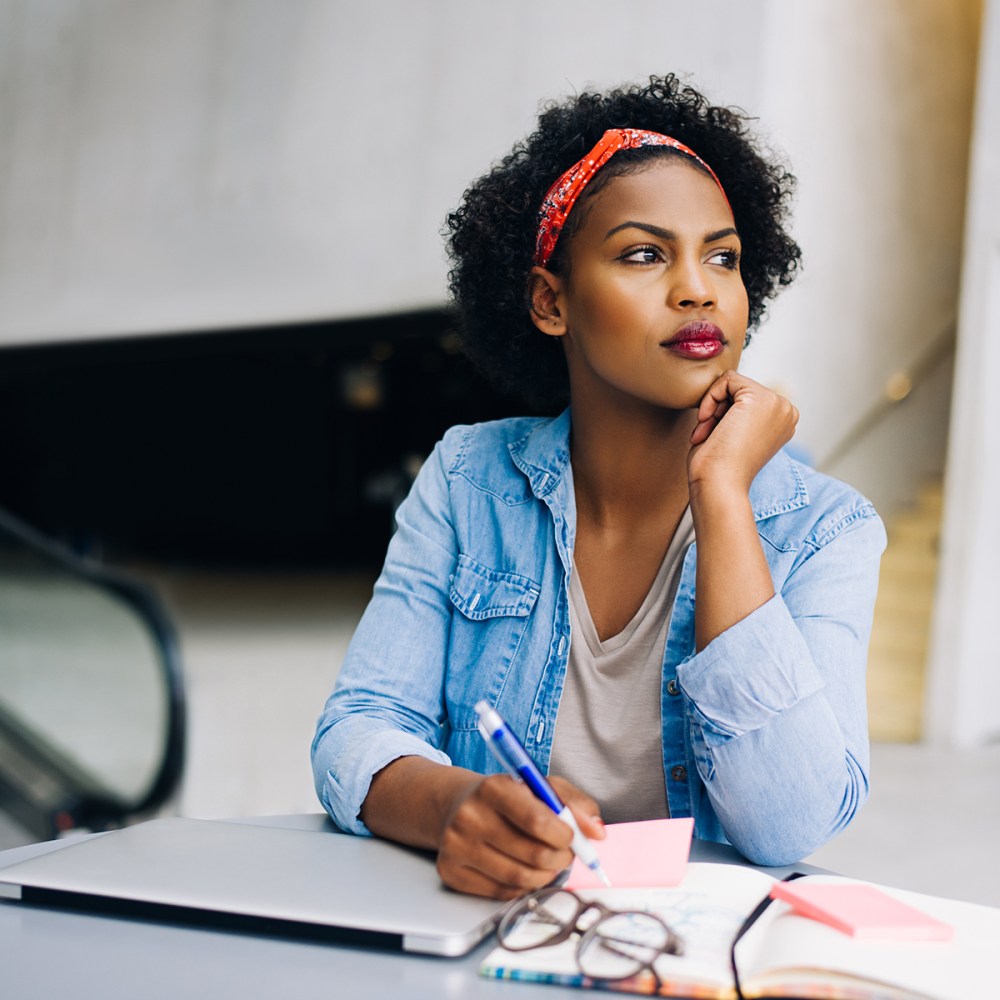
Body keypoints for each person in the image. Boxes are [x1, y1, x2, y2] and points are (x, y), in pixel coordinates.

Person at [311, 74, 885, 900]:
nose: (698, 288)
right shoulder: (470, 480)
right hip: (489, 939)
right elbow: (357, 728)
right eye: (645, 254)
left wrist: (723, 497)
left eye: (721, 256)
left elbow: (787, 824)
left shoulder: (828, 529)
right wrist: (455, 806)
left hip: (694, 960)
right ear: (552, 301)